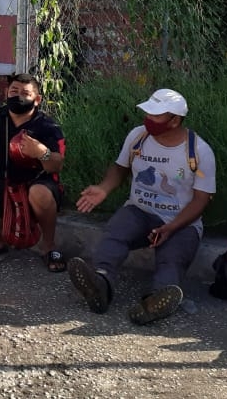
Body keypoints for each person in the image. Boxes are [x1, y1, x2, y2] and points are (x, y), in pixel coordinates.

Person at [67, 88, 216, 325]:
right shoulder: (138, 136)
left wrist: (171, 227)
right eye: (148, 113)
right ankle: (100, 284)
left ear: (175, 120)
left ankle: (155, 301)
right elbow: (120, 167)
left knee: (172, 258)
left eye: (156, 116)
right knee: (115, 234)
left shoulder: (199, 151)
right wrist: (104, 188)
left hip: (180, 222)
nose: (148, 119)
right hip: (139, 211)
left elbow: (201, 199)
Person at [0, 73, 67, 271]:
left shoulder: (48, 126)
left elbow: (57, 165)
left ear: (37, 100)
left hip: (36, 186)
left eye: (26, 93)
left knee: (40, 193)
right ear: (6, 93)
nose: (19, 96)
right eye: (14, 91)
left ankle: (49, 247)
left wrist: (41, 153)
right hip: (5, 185)